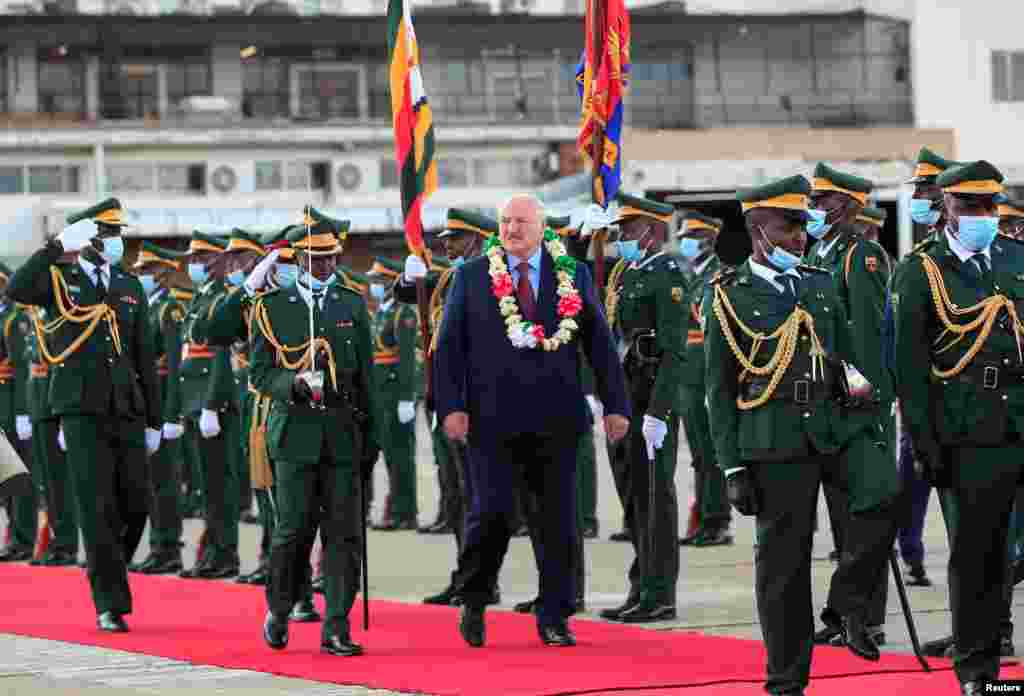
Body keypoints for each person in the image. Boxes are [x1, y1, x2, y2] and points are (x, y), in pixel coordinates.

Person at [706, 175, 897, 696]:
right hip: (773, 440)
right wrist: (731, 466)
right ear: (756, 229)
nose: (800, 235)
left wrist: (871, 420)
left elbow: (847, 361)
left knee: (883, 498)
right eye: (788, 225)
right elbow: (718, 391)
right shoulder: (728, 295)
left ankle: (847, 603)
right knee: (783, 566)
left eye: (802, 225)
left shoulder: (818, 282)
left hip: (836, 427)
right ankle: (786, 679)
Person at [435, 194, 629, 648]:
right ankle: (475, 598)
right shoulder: (472, 276)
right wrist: (451, 407)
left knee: (557, 522)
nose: (511, 229)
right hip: (492, 420)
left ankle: (555, 613)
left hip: (557, 419)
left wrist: (616, 406)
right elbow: (448, 349)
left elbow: (600, 344)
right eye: (504, 221)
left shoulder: (573, 274)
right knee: (492, 515)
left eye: (521, 221)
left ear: (543, 228)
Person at [892, 161, 1024, 696]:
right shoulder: (922, 270)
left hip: (1021, 418)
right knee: (978, 555)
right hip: (970, 432)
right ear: (946, 206)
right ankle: (979, 670)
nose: (983, 217)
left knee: (1005, 555)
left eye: (990, 207)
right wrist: (925, 442)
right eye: (971, 206)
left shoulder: (1017, 259)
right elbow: (909, 365)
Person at [8, 199, 162, 632]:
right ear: (86, 240)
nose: (114, 242)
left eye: (116, 234)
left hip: (127, 409)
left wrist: (155, 419)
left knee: (136, 504)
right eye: (105, 235)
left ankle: (109, 568)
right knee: (96, 508)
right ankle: (109, 603)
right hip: (80, 411)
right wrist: (54, 248)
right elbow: (16, 288)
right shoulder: (59, 280)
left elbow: (144, 357)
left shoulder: (129, 286)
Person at [251, 216, 375, 657]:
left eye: (330, 258)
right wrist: (292, 386)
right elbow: (259, 372)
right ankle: (279, 609)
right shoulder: (271, 306)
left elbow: (367, 378)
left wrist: (371, 438)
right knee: (293, 533)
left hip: (342, 435)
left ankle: (336, 625)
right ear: (298, 259)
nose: (325, 266)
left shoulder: (350, 304)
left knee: (344, 535)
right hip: (295, 437)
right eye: (316, 259)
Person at [805, 163, 899, 650]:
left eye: (822, 201)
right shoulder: (821, 252)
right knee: (843, 519)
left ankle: (868, 617)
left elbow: (863, 340)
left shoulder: (859, 257)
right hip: (828, 404)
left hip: (856, 406)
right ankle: (845, 612)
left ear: (846, 206)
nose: (814, 209)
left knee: (863, 516)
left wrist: (859, 408)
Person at [398, 208, 500, 607]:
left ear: (475, 239)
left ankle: (481, 581)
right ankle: (465, 575)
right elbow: (407, 293)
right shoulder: (453, 277)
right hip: (446, 399)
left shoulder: (492, 279)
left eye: (454, 239)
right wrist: (408, 276)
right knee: (457, 492)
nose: (446, 246)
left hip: (476, 402)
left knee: (478, 496)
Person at [600, 193, 684, 624]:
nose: (620, 238)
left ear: (650, 232)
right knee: (633, 496)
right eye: (618, 231)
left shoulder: (666, 274)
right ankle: (641, 583)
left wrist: (660, 411)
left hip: (651, 392)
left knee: (655, 499)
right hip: (625, 392)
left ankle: (660, 592)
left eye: (627, 231)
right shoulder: (626, 272)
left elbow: (676, 350)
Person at [178, 230, 241, 579]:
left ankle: (225, 553)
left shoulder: (221, 299)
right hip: (194, 401)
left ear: (217, 262)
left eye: (203, 259)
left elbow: (220, 355)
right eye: (193, 259)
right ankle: (212, 551)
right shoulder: (200, 298)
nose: (196, 265)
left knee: (219, 484)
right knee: (205, 484)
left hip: (210, 404)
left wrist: (212, 404)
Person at [128, 242, 190, 575]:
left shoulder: (170, 310)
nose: (143, 275)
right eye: (141, 270)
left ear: (166, 273)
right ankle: (157, 545)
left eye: (150, 270)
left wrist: (171, 414)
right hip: (147, 402)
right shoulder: (147, 308)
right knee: (151, 481)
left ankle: (169, 547)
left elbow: (175, 366)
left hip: (164, 401)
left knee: (165, 482)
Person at [675, 211, 733, 548]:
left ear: (709, 241)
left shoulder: (718, 277)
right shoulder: (691, 276)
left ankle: (717, 522)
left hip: (707, 375)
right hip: (688, 376)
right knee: (699, 453)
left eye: (692, 237)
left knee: (711, 452)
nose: (686, 243)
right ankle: (703, 520)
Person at [365, 258, 419, 531]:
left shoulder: (402, 313)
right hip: (381, 396)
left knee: (400, 457)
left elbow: (407, 359)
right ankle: (395, 507)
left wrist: (407, 398)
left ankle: (405, 512)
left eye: (378, 281)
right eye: (373, 281)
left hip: (396, 394)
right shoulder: (382, 312)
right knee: (390, 455)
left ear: (389, 283)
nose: (373, 286)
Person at [0, 264, 36, 562]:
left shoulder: (15, 318)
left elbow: (21, 367)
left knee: (18, 474)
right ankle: (14, 534)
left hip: (13, 404)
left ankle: (24, 538)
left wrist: (23, 411)